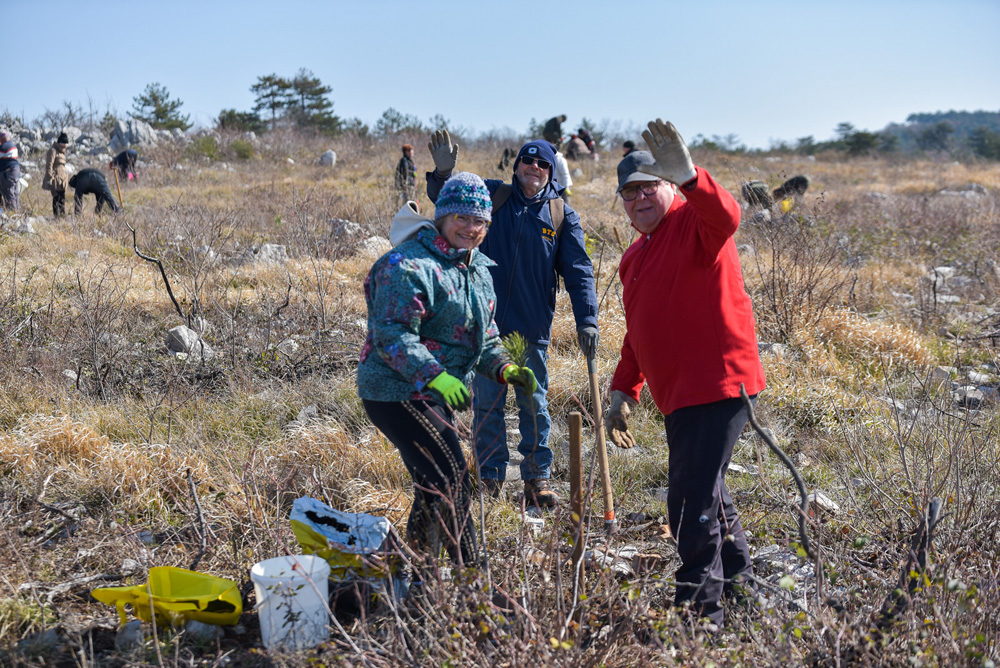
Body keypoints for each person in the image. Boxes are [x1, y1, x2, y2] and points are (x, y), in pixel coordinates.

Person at [604, 119, 766, 627]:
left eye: (648, 187)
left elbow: (728, 215)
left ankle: (700, 618)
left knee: (688, 501)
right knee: (709, 494)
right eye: (628, 194)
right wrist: (622, 389)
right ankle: (742, 588)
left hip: (719, 385)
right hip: (679, 397)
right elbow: (639, 330)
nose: (639, 200)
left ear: (668, 186)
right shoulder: (635, 256)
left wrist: (692, 176)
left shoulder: (696, 224)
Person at [357, 172, 536, 568]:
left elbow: (486, 338)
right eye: (462, 218)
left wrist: (505, 369)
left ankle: (418, 576)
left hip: (433, 392)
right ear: (442, 217)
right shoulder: (406, 265)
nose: (471, 229)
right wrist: (434, 375)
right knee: (453, 478)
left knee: (433, 484)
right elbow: (391, 335)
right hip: (394, 390)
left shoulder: (477, 270)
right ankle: (471, 577)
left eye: (480, 222)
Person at [426, 131, 598, 508]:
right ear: (516, 164)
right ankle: (490, 478)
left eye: (542, 164)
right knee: (487, 406)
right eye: (526, 160)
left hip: (532, 329)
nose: (532, 168)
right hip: (485, 328)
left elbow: (580, 269)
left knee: (533, 405)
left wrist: (587, 318)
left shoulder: (560, 215)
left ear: (551, 173)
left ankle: (537, 479)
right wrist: (443, 173)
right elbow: (448, 201)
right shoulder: (494, 196)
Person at [43, 132, 70, 217]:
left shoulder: (62, 152)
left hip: (62, 179)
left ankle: (62, 215)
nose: (65, 146)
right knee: (56, 198)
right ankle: (56, 216)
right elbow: (49, 165)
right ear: (60, 142)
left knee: (62, 198)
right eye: (64, 143)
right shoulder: (53, 150)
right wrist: (49, 178)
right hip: (55, 178)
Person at [0, 130, 20, 212]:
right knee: (14, 192)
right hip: (14, 170)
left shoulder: (4, 146)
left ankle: (11, 213)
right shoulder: (12, 145)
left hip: (7, 172)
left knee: (8, 191)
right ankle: (16, 211)